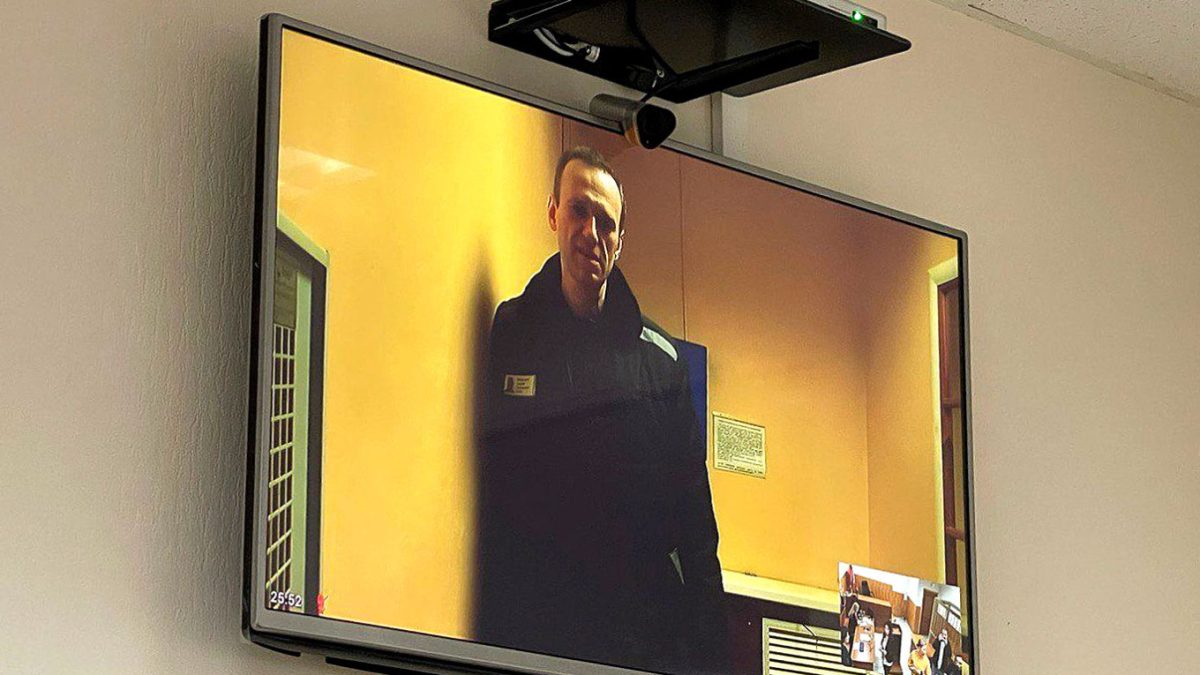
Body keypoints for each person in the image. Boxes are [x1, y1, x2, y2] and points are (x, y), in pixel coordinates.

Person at [474, 147, 727, 674]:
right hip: (536, 632)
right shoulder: (514, 331)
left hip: (634, 638)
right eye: (579, 210)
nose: (591, 232)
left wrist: (710, 653)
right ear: (553, 213)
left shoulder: (661, 361)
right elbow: (496, 490)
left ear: (620, 240)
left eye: (606, 222)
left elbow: (695, 521)